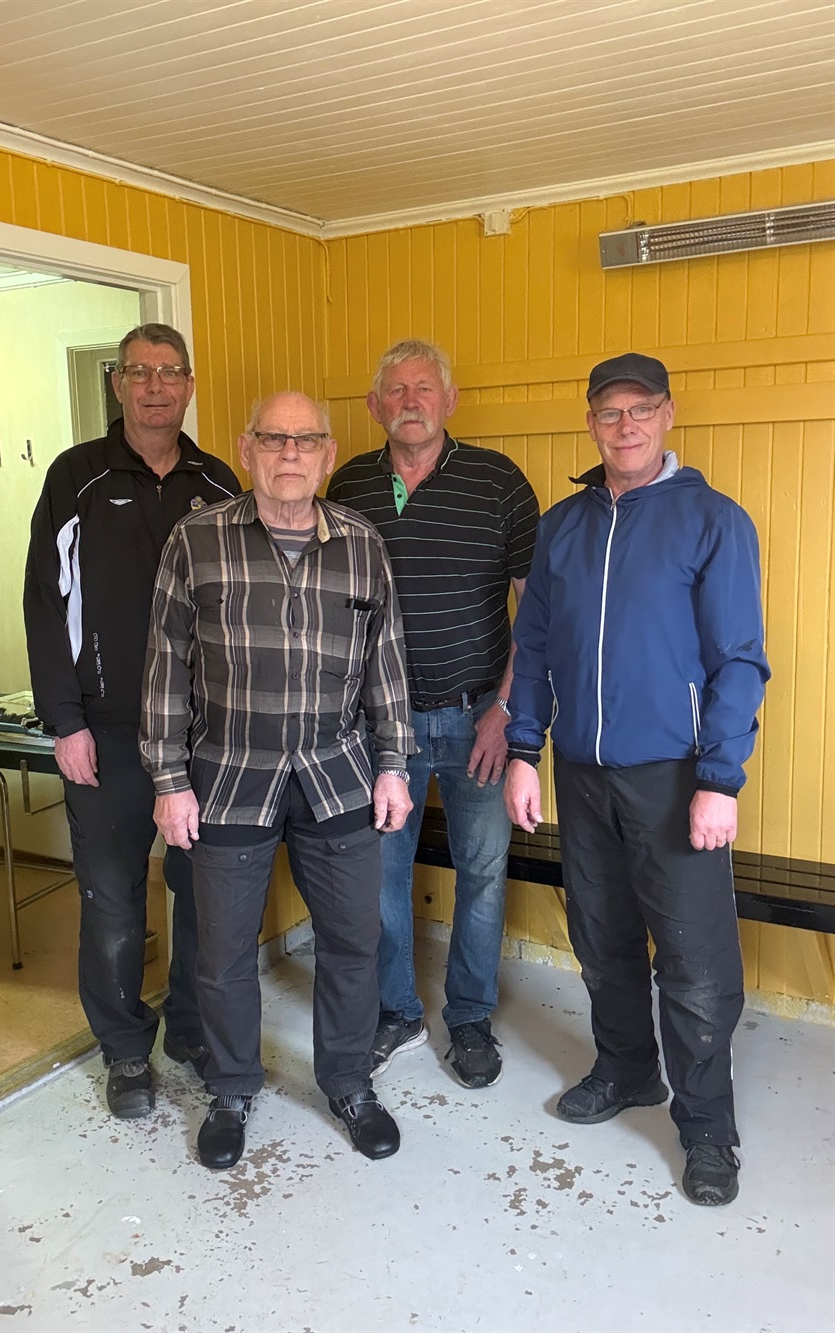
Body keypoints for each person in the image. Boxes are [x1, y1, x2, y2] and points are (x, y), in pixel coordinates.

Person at [503, 352, 770, 1207]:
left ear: (667, 415)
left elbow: (739, 661)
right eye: (610, 412)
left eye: (641, 409)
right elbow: (534, 645)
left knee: (693, 959)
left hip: (676, 776)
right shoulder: (563, 526)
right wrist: (522, 750)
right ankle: (625, 1068)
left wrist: (720, 777)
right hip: (582, 773)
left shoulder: (712, 520)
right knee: (602, 935)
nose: (626, 425)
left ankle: (707, 1128)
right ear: (590, 422)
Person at [140, 392, 415, 1170]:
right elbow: (164, 665)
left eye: (306, 440)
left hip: (339, 773)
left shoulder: (361, 543)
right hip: (228, 775)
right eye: (273, 438)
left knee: (353, 941)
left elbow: (386, 663)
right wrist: (168, 778)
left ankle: (349, 1082)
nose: (290, 452)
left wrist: (394, 765)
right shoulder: (196, 540)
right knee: (223, 950)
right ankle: (231, 1088)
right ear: (247, 449)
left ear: (329, 454)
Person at [24, 322, 240, 1120]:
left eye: (169, 371)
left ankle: (190, 1027)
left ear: (189, 384)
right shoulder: (75, 478)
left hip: (205, 734)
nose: (154, 385)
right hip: (107, 733)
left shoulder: (219, 483)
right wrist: (64, 721)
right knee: (113, 900)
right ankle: (123, 1050)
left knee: (205, 893)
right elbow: (45, 605)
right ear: (117, 383)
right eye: (139, 371)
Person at [328, 340, 540, 1088]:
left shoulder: (497, 482)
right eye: (396, 389)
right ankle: (396, 1011)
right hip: (382, 729)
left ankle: (471, 1017)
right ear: (374, 406)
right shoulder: (347, 485)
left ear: (450, 400)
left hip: (480, 718)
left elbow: (537, 612)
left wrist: (506, 709)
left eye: (424, 388)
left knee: (482, 872)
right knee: (382, 876)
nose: (410, 400)